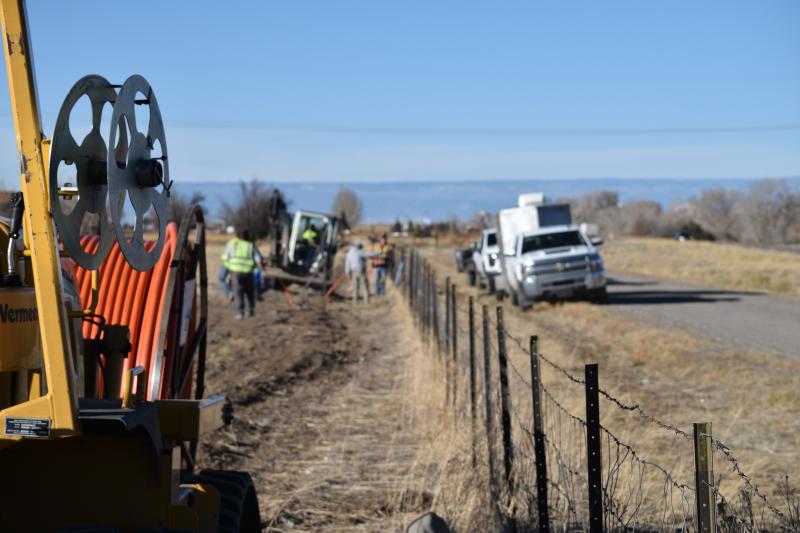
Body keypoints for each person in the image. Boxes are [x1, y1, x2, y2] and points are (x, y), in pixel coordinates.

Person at [221, 228, 264, 319]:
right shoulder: (251, 245)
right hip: (248, 271)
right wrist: (262, 269)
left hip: (236, 272)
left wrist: (229, 267)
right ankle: (251, 311)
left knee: (238, 292)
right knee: (250, 291)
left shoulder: (232, 243)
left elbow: (225, 257)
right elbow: (259, 259)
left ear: (237, 236)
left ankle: (240, 313)